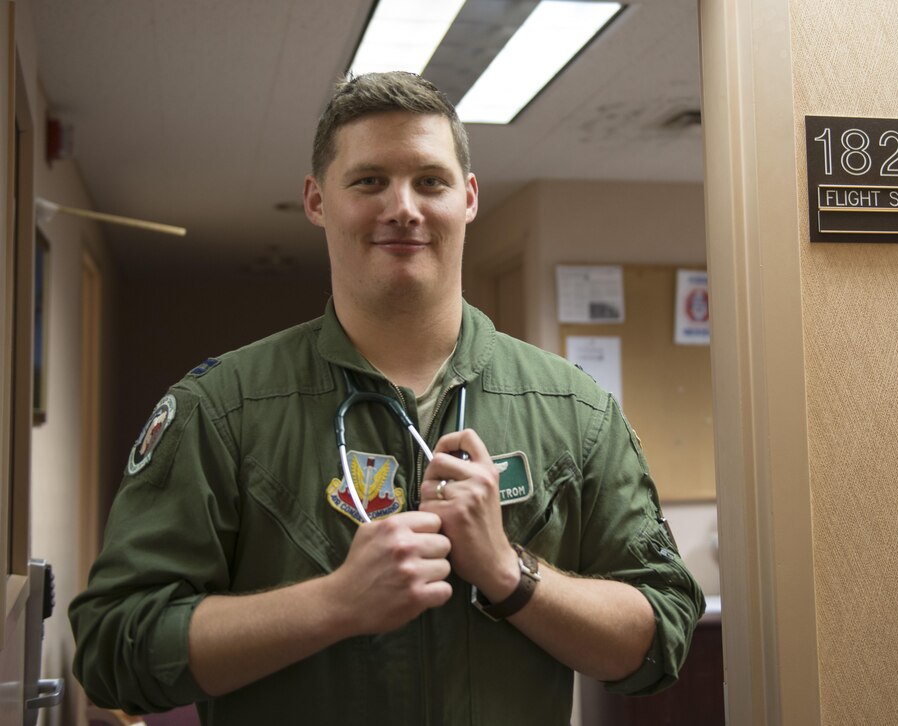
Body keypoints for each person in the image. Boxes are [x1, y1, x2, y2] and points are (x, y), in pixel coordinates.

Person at [70, 71, 705, 725]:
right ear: (317, 200)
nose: (403, 206)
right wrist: (335, 604)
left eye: (430, 181)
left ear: (469, 198)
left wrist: (508, 572)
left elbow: (661, 635)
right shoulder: (222, 409)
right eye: (369, 180)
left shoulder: (574, 410)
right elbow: (113, 650)